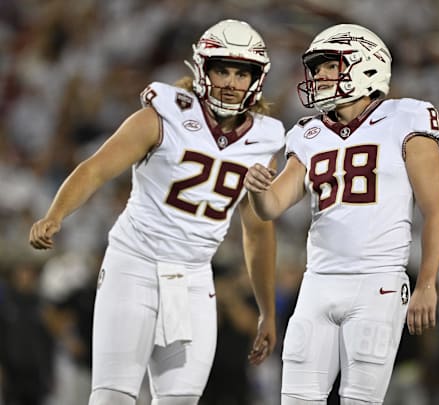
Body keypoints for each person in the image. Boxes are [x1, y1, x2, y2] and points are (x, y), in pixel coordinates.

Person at [28, 19, 283, 405]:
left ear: (256, 79)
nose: (231, 82)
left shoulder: (265, 138)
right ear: (202, 70)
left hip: (195, 277)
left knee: (180, 400)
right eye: (222, 70)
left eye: (241, 73)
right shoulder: (164, 113)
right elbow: (97, 167)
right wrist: (56, 214)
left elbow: (257, 229)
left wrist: (266, 309)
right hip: (135, 264)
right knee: (113, 396)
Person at [243, 23, 439, 404]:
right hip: (317, 282)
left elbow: (436, 212)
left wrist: (427, 283)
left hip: (378, 282)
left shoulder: (407, 118)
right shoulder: (307, 132)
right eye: (316, 67)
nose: (318, 75)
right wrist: (256, 190)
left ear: (365, 65)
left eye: (328, 65)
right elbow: (271, 206)